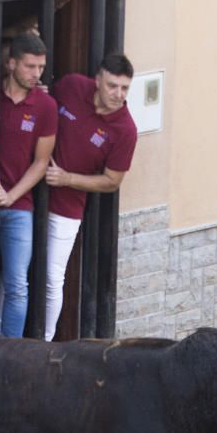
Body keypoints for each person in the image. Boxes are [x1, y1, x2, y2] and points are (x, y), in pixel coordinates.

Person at [43, 54, 137, 341]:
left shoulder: (125, 130)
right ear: (97, 80)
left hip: (68, 209)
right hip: (29, 195)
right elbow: (43, 104)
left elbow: (112, 181)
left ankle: (43, 342)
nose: (118, 95)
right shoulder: (71, 87)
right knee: (13, 272)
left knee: (51, 278)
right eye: (112, 86)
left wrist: (67, 179)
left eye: (124, 89)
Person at [0, 33, 57, 337]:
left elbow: (41, 162)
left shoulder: (46, 105)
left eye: (41, 67)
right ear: (11, 63)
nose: (37, 73)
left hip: (19, 205)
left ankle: (10, 351)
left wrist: (11, 196)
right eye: (30, 66)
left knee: (17, 285)